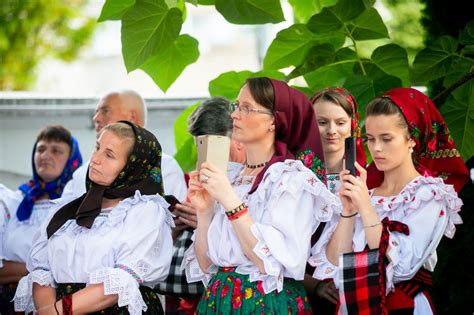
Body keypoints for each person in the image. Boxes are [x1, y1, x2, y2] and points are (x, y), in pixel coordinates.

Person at [183, 77, 337, 314]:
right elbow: (206, 264)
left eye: (246, 108)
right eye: (236, 106)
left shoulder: (291, 179)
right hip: (218, 302)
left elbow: (271, 263)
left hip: (265, 303)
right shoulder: (232, 176)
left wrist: (230, 200)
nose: (234, 115)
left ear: (274, 120)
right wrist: (204, 212)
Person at [310, 87, 469, 314]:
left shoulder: (429, 195)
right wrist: (348, 210)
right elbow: (334, 262)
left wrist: (364, 207)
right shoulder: (368, 191)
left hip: (401, 306)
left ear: (412, 140)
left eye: (386, 139)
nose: (376, 148)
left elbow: (403, 266)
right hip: (352, 307)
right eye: (370, 139)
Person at [13, 121, 174, 314]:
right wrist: (47, 310)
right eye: (97, 147)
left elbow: (117, 285)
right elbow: (42, 272)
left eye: (109, 155)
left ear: (132, 167)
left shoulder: (143, 212)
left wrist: (56, 312)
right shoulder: (66, 208)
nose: (95, 159)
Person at [156, 97, 245, 314]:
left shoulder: (259, 179)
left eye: (214, 144)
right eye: (200, 146)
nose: (204, 156)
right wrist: (177, 227)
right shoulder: (196, 180)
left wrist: (212, 223)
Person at [0, 125, 82, 314]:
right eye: (41, 149)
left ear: (72, 160)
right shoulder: (13, 202)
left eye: (56, 150)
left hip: (55, 305)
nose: (45, 155)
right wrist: (43, 270)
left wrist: (20, 268)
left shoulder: (78, 204)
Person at [303, 87, 366, 310]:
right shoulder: (294, 176)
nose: (331, 131)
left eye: (340, 123)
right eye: (322, 122)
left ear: (352, 125)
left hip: (359, 289)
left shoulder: (368, 176)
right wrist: (313, 284)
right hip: (304, 291)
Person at [62, 90, 187, 201]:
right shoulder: (82, 172)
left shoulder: (164, 167)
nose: (96, 118)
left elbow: (175, 219)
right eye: (96, 112)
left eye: (105, 111)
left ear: (132, 117)